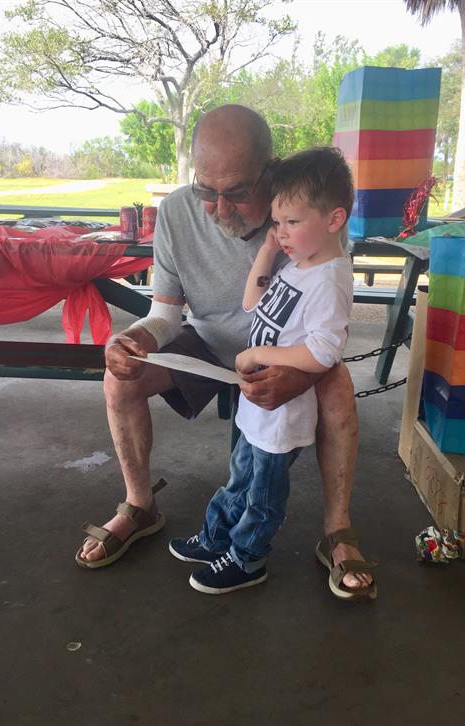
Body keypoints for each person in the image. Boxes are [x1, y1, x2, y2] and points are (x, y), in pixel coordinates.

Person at [75, 104, 374, 600]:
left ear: (269, 173)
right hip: (212, 344)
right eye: (205, 191)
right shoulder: (175, 212)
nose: (217, 208)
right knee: (120, 376)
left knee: (336, 388)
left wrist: (296, 375)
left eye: (236, 192)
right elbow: (167, 314)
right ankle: (139, 504)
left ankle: (337, 531)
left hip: (286, 352)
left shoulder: (305, 209)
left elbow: (328, 323)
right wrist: (137, 341)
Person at [168, 147, 375, 598]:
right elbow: (252, 304)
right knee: (238, 478)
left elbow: (324, 350)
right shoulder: (299, 264)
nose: (281, 233)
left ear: (334, 219)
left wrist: (258, 353)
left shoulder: (329, 279)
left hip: (283, 416)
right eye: (277, 223)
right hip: (258, 408)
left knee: (262, 494)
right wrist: (266, 253)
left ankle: (247, 559)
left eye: (292, 223)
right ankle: (216, 535)